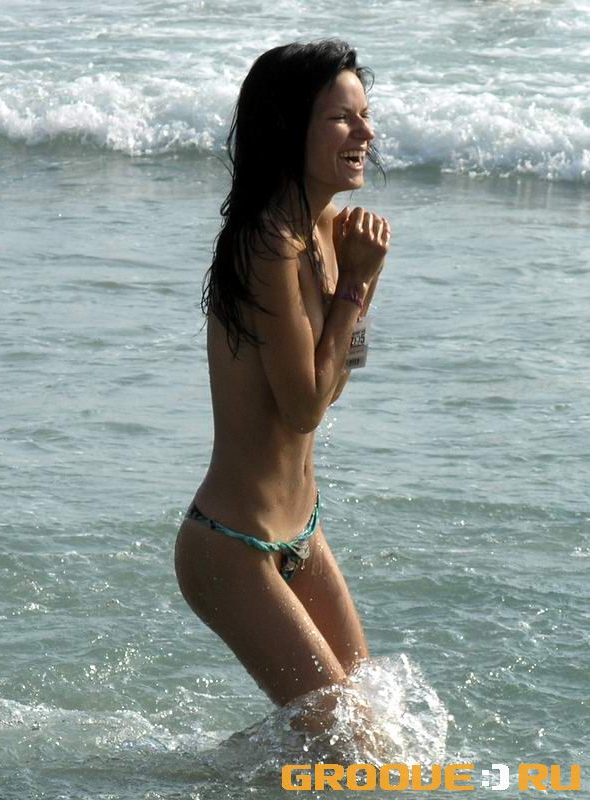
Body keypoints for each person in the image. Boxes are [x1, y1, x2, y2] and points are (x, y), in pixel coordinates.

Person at [174, 40, 390, 728]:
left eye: (365, 115)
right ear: (289, 128)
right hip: (232, 547)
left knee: (373, 727)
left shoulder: (324, 230)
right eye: (342, 118)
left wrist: (358, 283)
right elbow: (301, 409)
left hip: (302, 535)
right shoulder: (267, 241)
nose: (365, 133)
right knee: (350, 748)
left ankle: (221, 776)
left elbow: (334, 382)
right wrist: (356, 285)